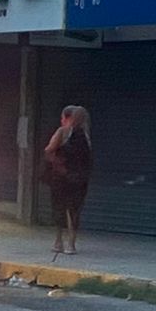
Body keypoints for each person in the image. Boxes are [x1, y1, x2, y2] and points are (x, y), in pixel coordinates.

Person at [44, 105, 93, 256]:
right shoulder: (82, 135)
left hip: (66, 178)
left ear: (68, 118)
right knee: (73, 210)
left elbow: (48, 151)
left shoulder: (66, 132)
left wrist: (59, 166)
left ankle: (60, 242)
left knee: (62, 208)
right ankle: (69, 244)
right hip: (76, 178)